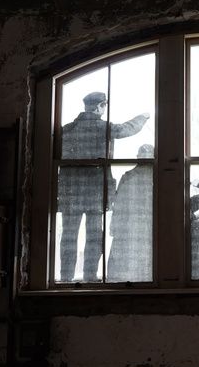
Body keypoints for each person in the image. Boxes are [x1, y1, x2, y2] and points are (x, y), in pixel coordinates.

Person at [57, 91, 149, 282]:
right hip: (95, 193)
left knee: (68, 237)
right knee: (94, 236)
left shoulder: (67, 129)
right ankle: (90, 277)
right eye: (104, 105)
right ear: (100, 106)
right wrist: (143, 116)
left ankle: (65, 278)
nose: (105, 109)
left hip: (70, 193)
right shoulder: (103, 127)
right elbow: (127, 129)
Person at [106, 144, 154, 282]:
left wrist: (115, 226)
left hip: (136, 226)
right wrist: (115, 225)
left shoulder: (129, 177)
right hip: (135, 226)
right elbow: (119, 204)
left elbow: (118, 205)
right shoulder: (129, 177)